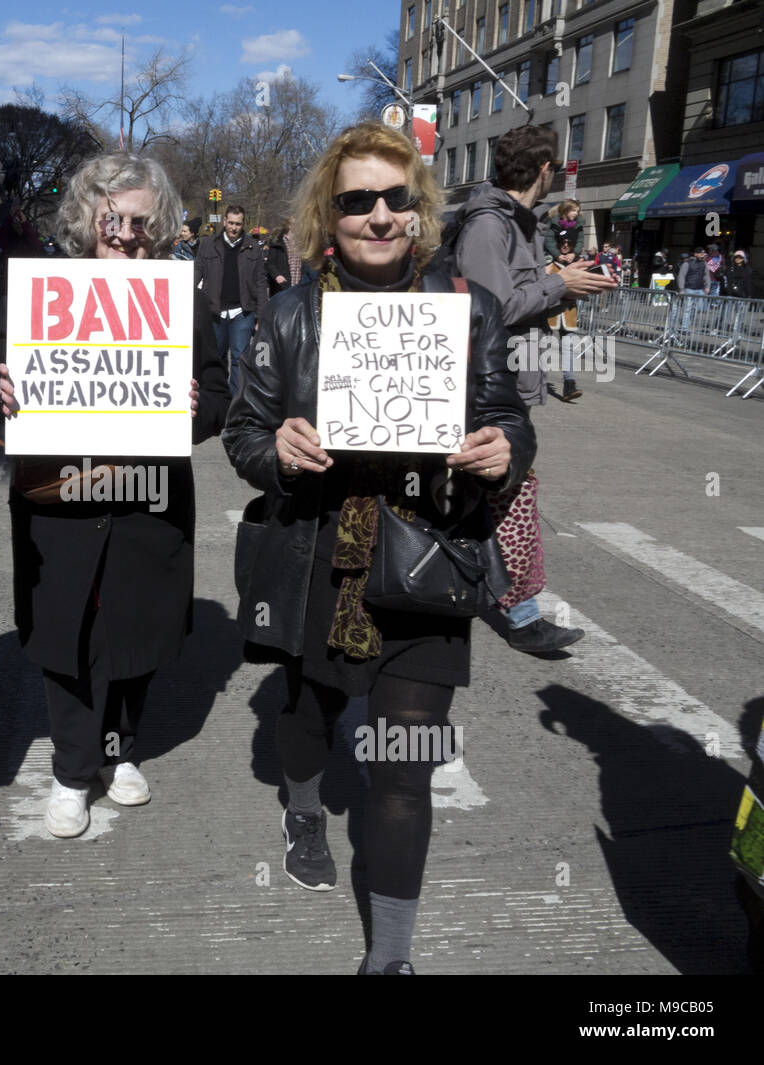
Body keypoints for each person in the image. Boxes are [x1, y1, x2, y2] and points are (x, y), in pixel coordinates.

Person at [223, 122, 536, 974]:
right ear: (333, 211)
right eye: (358, 200)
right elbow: (242, 431)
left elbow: (507, 411)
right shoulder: (287, 315)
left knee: (406, 766)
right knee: (310, 717)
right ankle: (301, 805)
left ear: (419, 209)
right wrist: (276, 449)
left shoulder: (465, 308)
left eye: (396, 199)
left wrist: (504, 448)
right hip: (317, 553)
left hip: (429, 557)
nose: (378, 215)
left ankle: (389, 956)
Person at [0, 152, 229, 838]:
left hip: (147, 496)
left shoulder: (181, 299)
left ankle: (117, 750)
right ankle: (71, 769)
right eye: (114, 220)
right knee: (67, 631)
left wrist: (194, 407)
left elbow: (218, 394)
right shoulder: (43, 290)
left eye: (143, 223)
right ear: (86, 218)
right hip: (58, 490)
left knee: (136, 628)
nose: (128, 236)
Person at [453, 123, 614, 654]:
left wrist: (558, 278)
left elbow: (514, 290)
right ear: (544, 170)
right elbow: (491, 308)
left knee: (486, 498)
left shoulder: (517, 224)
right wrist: (557, 285)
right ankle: (521, 614)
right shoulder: (489, 224)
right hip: (485, 388)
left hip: (505, 384)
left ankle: (474, 590)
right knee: (512, 496)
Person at [194, 203, 268, 393]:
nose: (234, 228)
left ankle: (236, 404)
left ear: (243, 224)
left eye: (238, 224)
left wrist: (262, 316)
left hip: (242, 312)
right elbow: (197, 272)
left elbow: (261, 282)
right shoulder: (208, 245)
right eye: (231, 223)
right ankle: (217, 399)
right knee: (216, 358)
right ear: (224, 221)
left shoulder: (253, 247)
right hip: (215, 311)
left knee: (239, 359)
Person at [547, 236, 582, 401]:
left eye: (569, 243)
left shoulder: (577, 267)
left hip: (568, 314)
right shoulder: (550, 266)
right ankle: (535, 381)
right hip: (549, 314)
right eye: (563, 243)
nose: (566, 246)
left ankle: (569, 385)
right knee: (543, 350)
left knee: (568, 350)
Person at [266, 224, 292, 295]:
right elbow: (270, 264)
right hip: (282, 286)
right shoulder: (277, 243)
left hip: (299, 286)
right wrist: (277, 275)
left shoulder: (301, 243)